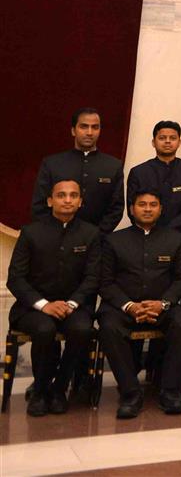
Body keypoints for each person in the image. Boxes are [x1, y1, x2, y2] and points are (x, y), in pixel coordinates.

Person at [98, 189, 181, 418]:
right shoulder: (114, 240)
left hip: (162, 307)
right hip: (122, 307)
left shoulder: (175, 239)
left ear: (161, 209)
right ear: (132, 209)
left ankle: (170, 391)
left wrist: (163, 303)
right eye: (142, 204)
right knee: (108, 327)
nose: (148, 208)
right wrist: (129, 306)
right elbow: (105, 282)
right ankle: (130, 393)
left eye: (153, 204)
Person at [6, 178, 100, 416]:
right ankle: (40, 390)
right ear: (50, 201)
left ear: (80, 201)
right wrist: (44, 305)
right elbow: (15, 279)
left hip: (74, 307)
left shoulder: (91, 234)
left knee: (82, 329)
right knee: (45, 329)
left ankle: (59, 388)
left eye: (73, 196)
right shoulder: (30, 232)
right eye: (61, 195)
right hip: (32, 309)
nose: (67, 200)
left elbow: (92, 278)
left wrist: (71, 304)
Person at [30, 107, 124, 233]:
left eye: (95, 127)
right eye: (84, 127)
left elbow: (116, 209)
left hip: (98, 243)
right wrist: (54, 234)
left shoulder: (113, 166)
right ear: (73, 130)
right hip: (54, 241)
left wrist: (96, 236)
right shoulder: (52, 164)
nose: (89, 132)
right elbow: (39, 206)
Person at [126, 120, 181, 238]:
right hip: (145, 236)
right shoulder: (138, 172)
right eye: (162, 138)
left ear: (179, 142)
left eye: (172, 138)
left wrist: (169, 230)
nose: (167, 141)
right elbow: (132, 209)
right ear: (153, 142)